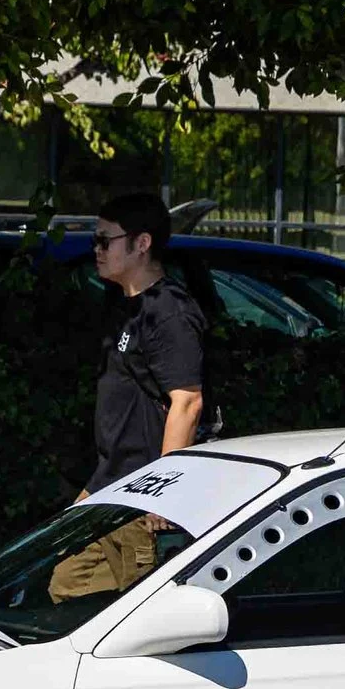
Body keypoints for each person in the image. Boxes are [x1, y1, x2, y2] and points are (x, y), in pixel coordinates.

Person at [86, 191, 209, 491]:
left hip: (141, 490)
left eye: (105, 241)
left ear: (142, 243)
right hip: (108, 482)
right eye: (95, 241)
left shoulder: (169, 313)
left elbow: (188, 403)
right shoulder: (121, 303)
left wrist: (161, 492)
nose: (96, 250)